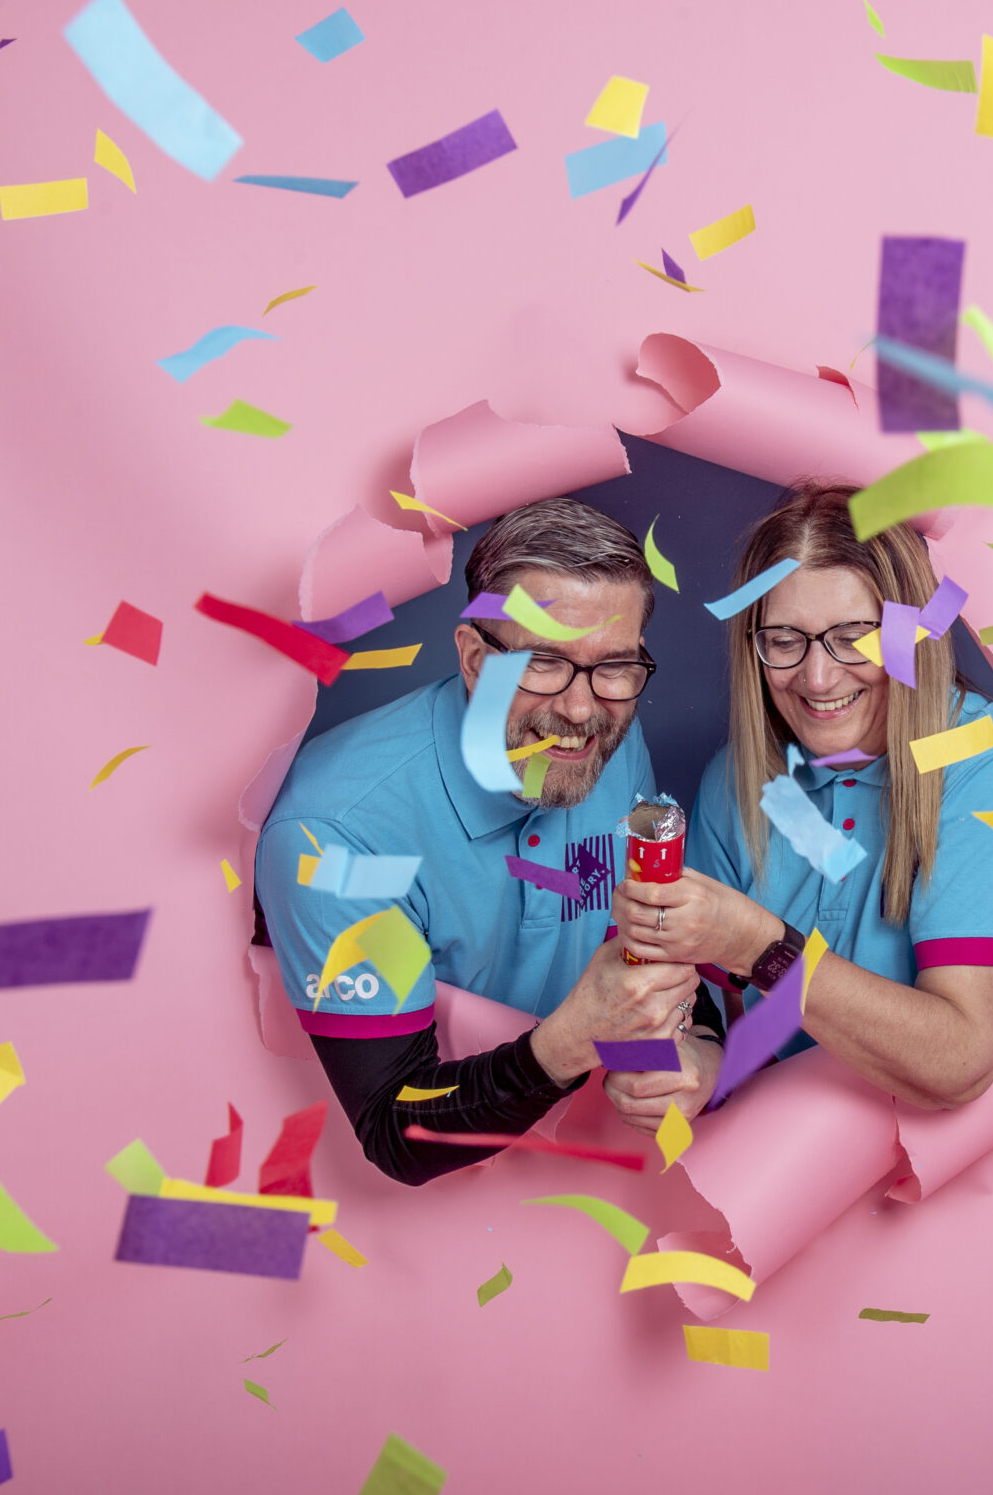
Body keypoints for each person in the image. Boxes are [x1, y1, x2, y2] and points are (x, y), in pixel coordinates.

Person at [256, 498, 716, 1184]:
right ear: (474, 657)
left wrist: (701, 1047)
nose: (581, 710)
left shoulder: (611, 742)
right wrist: (569, 1042)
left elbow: (645, 942)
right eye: (542, 663)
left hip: (582, 1183)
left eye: (614, 666)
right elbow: (395, 1129)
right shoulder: (333, 833)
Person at [606, 483, 993, 1132]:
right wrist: (706, 1064)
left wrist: (761, 945)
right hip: (793, 1188)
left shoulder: (987, 767)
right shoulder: (736, 782)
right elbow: (726, 1021)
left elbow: (963, 1059)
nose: (817, 678)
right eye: (785, 639)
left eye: (854, 637)